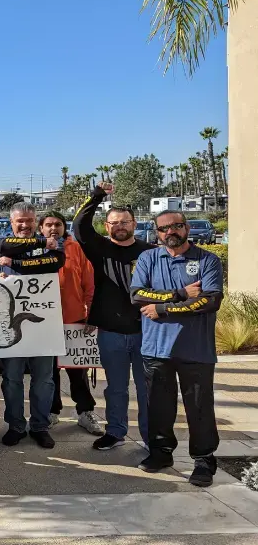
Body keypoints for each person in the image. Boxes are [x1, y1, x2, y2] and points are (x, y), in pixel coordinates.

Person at [130, 211, 224, 486]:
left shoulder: (208, 260)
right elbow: (137, 294)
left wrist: (161, 309)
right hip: (156, 348)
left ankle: (204, 460)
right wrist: (179, 295)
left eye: (177, 226)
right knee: (158, 406)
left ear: (186, 228)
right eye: (164, 228)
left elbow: (209, 301)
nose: (171, 232)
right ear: (157, 232)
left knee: (199, 407)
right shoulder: (148, 258)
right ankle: (161, 453)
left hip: (196, 350)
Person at [72, 182, 156, 451]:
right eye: (114, 222)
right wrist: (97, 196)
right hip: (110, 332)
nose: (120, 226)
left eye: (125, 222)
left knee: (147, 390)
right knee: (116, 389)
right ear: (107, 227)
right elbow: (79, 225)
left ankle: (150, 436)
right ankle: (116, 431)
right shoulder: (98, 248)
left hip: (146, 331)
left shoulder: (151, 252)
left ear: (134, 224)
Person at [0, 202, 66, 449]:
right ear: (11, 222)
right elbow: (1, 248)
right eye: (19, 221)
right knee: (12, 378)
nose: (24, 225)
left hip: (44, 323)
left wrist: (14, 264)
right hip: (10, 323)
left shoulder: (53, 245)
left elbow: (53, 263)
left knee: (44, 380)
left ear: (36, 222)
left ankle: (40, 426)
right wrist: (42, 243)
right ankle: (15, 426)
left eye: (29, 221)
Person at [37, 211, 103, 436]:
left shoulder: (76, 249)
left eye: (57, 224)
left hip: (74, 319)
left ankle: (85, 412)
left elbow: (89, 284)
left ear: (64, 228)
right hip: (44, 322)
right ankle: (52, 411)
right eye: (48, 225)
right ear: (41, 229)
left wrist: (91, 315)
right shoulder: (34, 249)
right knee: (49, 373)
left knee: (78, 371)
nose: (53, 228)